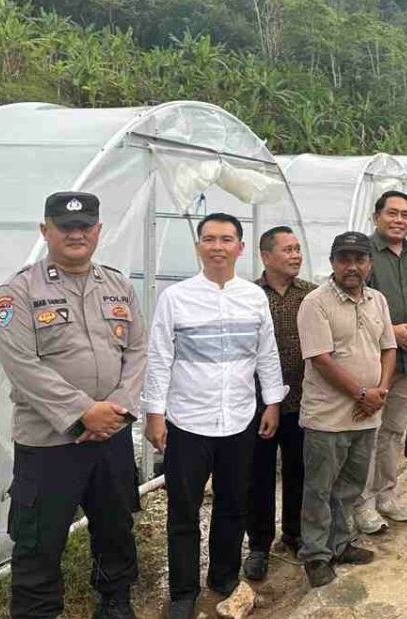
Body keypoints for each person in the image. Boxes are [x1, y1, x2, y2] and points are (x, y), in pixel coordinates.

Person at [0, 191, 146, 619]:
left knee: (115, 525)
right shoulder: (18, 291)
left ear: (97, 230)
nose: (76, 234)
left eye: (85, 226)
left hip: (111, 436)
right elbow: (21, 364)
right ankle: (38, 611)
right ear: (46, 231)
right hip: (49, 443)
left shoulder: (118, 285)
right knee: (40, 539)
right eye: (65, 227)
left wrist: (116, 408)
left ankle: (115, 599)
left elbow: (137, 352)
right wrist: (82, 413)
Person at [142, 213, 287, 619]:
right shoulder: (176, 298)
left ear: (241, 247)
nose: (218, 246)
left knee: (232, 503)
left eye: (226, 239)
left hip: (240, 419)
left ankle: (222, 576)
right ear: (198, 247)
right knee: (183, 510)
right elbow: (159, 358)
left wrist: (272, 402)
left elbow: (266, 353)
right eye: (209, 239)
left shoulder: (253, 297)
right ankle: (183, 591)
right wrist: (155, 414)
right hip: (188, 422)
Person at [297, 232, 397, 587]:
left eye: (359, 259)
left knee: (351, 486)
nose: (352, 266)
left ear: (370, 263)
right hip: (327, 417)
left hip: (368, 413)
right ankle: (316, 556)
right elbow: (321, 360)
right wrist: (362, 394)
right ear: (333, 263)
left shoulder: (377, 300)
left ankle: (340, 544)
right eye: (344, 259)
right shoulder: (316, 302)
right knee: (319, 489)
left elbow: (389, 348)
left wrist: (381, 390)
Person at [356, 190, 407, 534]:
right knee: (367, 432)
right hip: (374, 360)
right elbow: (354, 303)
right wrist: (391, 331)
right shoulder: (363, 253)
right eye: (392, 213)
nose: (399, 220)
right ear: (377, 216)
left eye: (405, 214)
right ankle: (361, 503)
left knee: (393, 431)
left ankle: (386, 496)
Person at [244, 226, 318, 581]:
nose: (296, 255)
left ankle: (295, 532)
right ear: (266, 255)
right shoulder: (247, 294)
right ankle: (259, 544)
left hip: (303, 399)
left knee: (299, 470)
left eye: (298, 249)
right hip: (258, 403)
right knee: (257, 475)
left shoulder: (313, 295)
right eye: (287, 249)